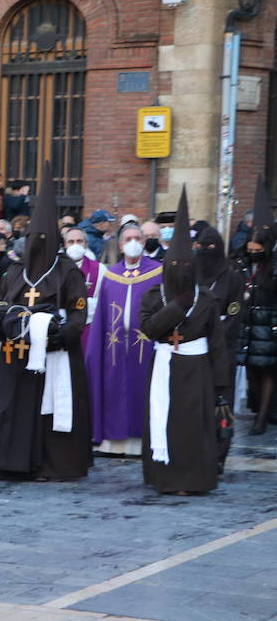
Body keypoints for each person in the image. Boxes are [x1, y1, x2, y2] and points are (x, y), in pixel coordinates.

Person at [0, 180, 92, 480]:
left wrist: (62, 334)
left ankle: (50, 465)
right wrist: (2, 326)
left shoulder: (68, 272)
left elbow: (80, 310)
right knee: (10, 407)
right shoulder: (14, 272)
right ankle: (6, 462)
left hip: (53, 352)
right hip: (15, 351)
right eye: (32, 239)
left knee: (46, 408)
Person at [138, 190, 224, 495]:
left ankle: (192, 479)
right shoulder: (153, 296)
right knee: (163, 419)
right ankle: (163, 476)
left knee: (190, 428)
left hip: (195, 370)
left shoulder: (208, 300)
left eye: (185, 267)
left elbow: (217, 343)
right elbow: (148, 329)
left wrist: (220, 388)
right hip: (164, 364)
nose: (179, 273)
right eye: (173, 266)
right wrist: (176, 307)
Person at [83, 222, 162, 455]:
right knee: (114, 389)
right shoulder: (112, 275)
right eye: (128, 239)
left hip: (145, 345)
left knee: (142, 390)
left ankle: (141, 443)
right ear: (120, 245)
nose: (133, 243)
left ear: (144, 242)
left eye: (137, 238)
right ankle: (113, 442)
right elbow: (102, 315)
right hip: (114, 346)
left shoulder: (157, 272)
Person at [195, 223, 244, 469]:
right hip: (196, 348)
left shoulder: (233, 277)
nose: (206, 251)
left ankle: (219, 455)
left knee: (221, 402)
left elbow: (234, 314)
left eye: (211, 247)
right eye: (202, 246)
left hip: (223, 349)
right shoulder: (193, 273)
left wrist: (213, 334)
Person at [237, 182, 277, 433]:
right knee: (251, 373)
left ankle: (261, 418)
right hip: (248, 324)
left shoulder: (272, 269)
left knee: (267, 372)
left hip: (269, 324)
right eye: (250, 250)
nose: (253, 253)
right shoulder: (242, 264)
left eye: (258, 250)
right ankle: (258, 410)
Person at [62, 226, 101, 320]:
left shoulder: (100, 269)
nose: (75, 245)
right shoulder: (56, 267)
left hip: (89, 321)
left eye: (79, 241)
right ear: (65, 245)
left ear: (86, 244)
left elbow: (103, 300)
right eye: (71, 242)